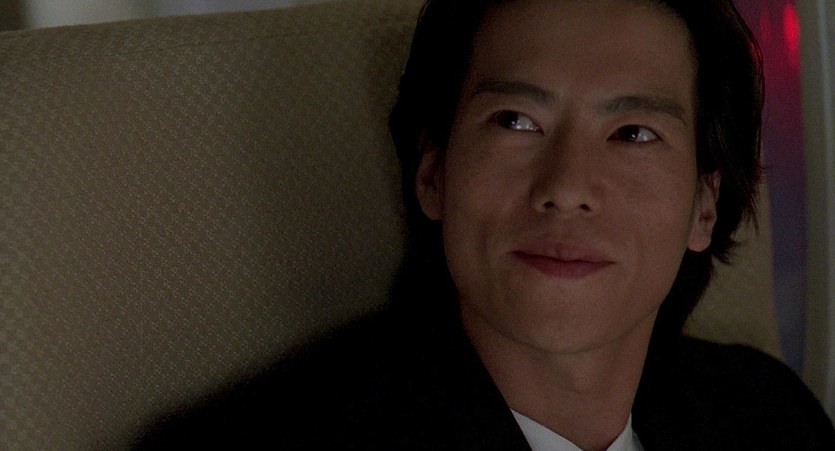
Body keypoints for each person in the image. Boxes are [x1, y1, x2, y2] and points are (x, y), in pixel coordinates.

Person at [135, 0, 835, 449]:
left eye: (632, 134)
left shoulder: (770, 418)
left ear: (704, 206)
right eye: (516, 121)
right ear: (432, 173)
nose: (566, 188)